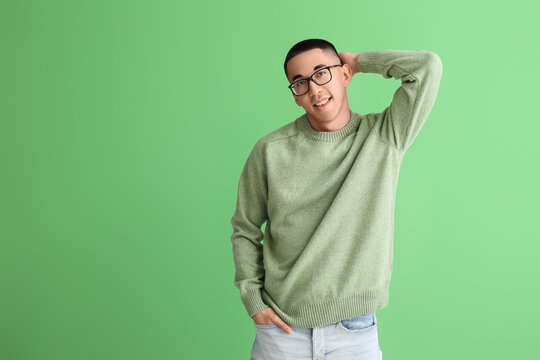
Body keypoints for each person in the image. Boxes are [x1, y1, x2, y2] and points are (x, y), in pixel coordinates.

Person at [229, 38, 443, 359]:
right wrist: (253, 300)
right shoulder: (270, 150)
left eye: (321, 73)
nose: (314, 89)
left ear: (344, 75)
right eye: (299, 83)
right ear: (295, 96)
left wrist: (358, 61)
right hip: (282, 331)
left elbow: (427, 67)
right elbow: (245, 228)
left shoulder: (384, 136)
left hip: (354, 332)